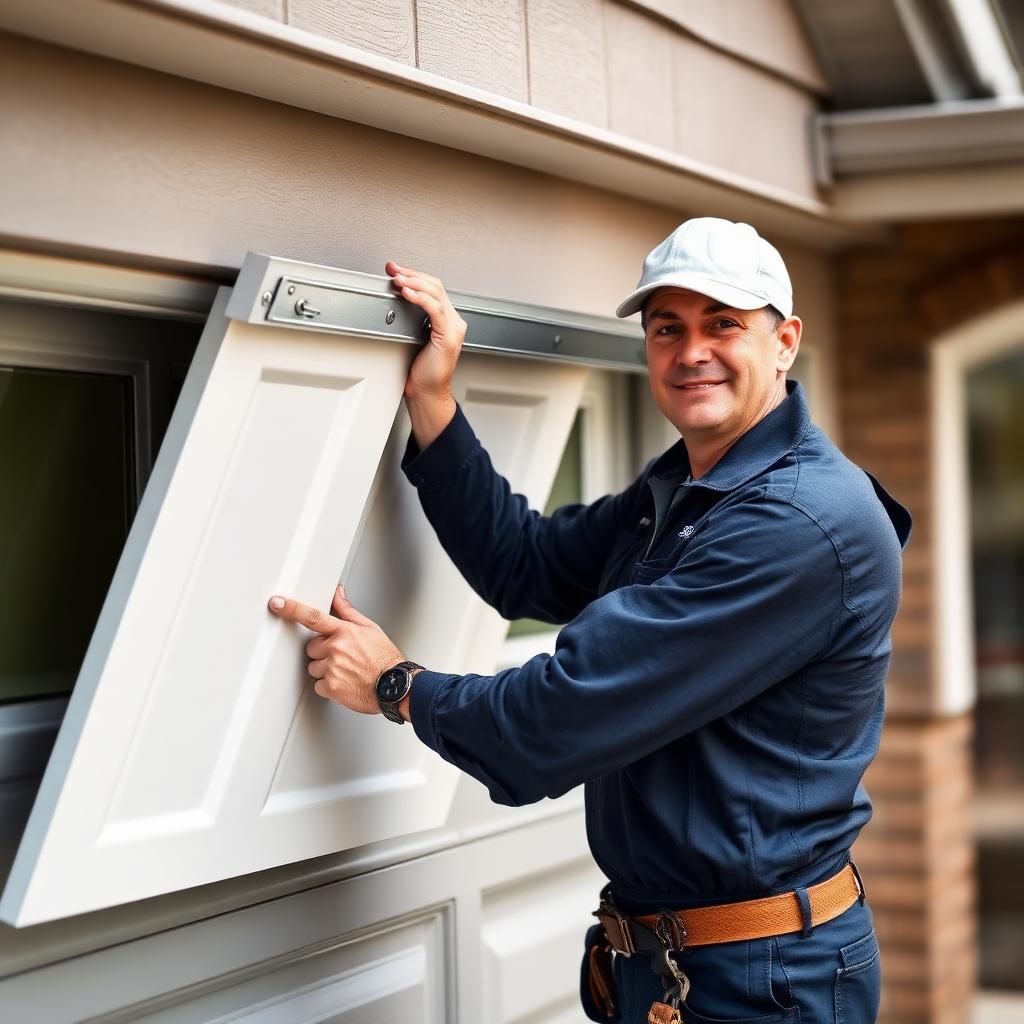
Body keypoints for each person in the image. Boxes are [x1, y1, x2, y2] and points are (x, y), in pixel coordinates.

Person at [268, 217, 912, 1023]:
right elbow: (527, 564)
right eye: (667, 328)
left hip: (761, 980)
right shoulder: (684, 491)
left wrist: (398, 685)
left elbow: (556, 722)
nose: (691, 352)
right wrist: (431, 401)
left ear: (784, 342)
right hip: (671, 962)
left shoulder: (798, 524)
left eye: (724, 325)